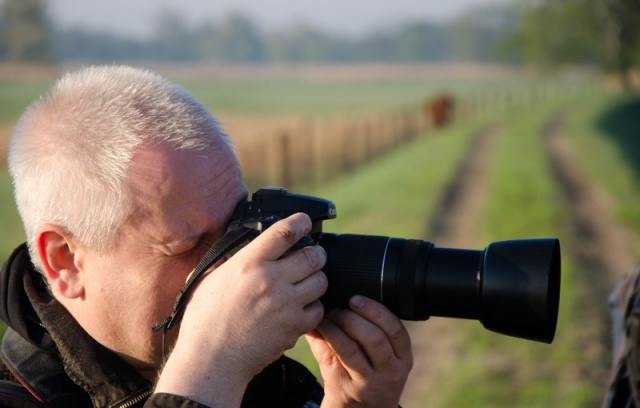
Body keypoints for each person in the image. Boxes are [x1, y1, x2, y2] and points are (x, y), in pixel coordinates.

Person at [0, 65, 413, 407]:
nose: (235, 266)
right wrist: (209, 367)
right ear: (65, 261)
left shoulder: (263, 379)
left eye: (238, 229)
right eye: (189, 247)